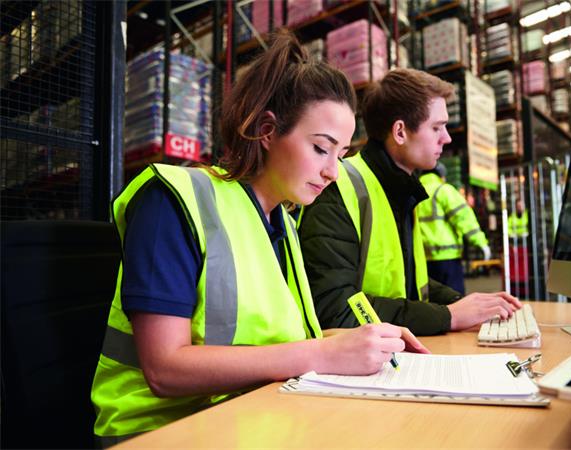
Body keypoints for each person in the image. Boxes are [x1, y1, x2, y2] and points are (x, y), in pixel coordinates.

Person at [90, 31, 428, 445]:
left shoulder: (282, 223)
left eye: (340, 155)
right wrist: (321, 353)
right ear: (267, 131)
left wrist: (364, 340)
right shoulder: (175, 200)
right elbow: (164, 369)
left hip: (248, 416)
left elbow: (281, 342)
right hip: (160, 433)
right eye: (321, 148)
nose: (333, 172)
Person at [299, 68, 521, 336]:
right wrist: (448, 316)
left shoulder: (401, 191)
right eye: (436, 127)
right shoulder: (338, 189)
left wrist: (463, 303)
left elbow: (411, 285)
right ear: (400, 132)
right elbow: (335, 309)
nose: (447, 137)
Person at [417, 162, 491, 295]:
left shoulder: (414, 192)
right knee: (454, 298)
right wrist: (481, 242)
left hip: (422, 259)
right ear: (441, 175)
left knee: (431, 300)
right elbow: (463, 218)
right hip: (447, 257)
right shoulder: (443, 190)